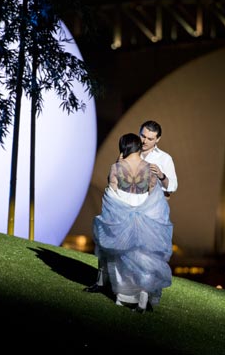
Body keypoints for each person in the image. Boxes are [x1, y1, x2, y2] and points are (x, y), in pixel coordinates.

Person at [84, 133, 173, 313]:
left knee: (119, 253)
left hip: (121, 209)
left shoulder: (117, 167)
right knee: (143, 254)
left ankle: (122, 295)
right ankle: (143, 297)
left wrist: (118, 161)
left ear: (123, 147)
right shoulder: (149, 169)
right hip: (144, 211)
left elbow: (111, 191)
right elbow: (153, 193)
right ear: (139, 147)